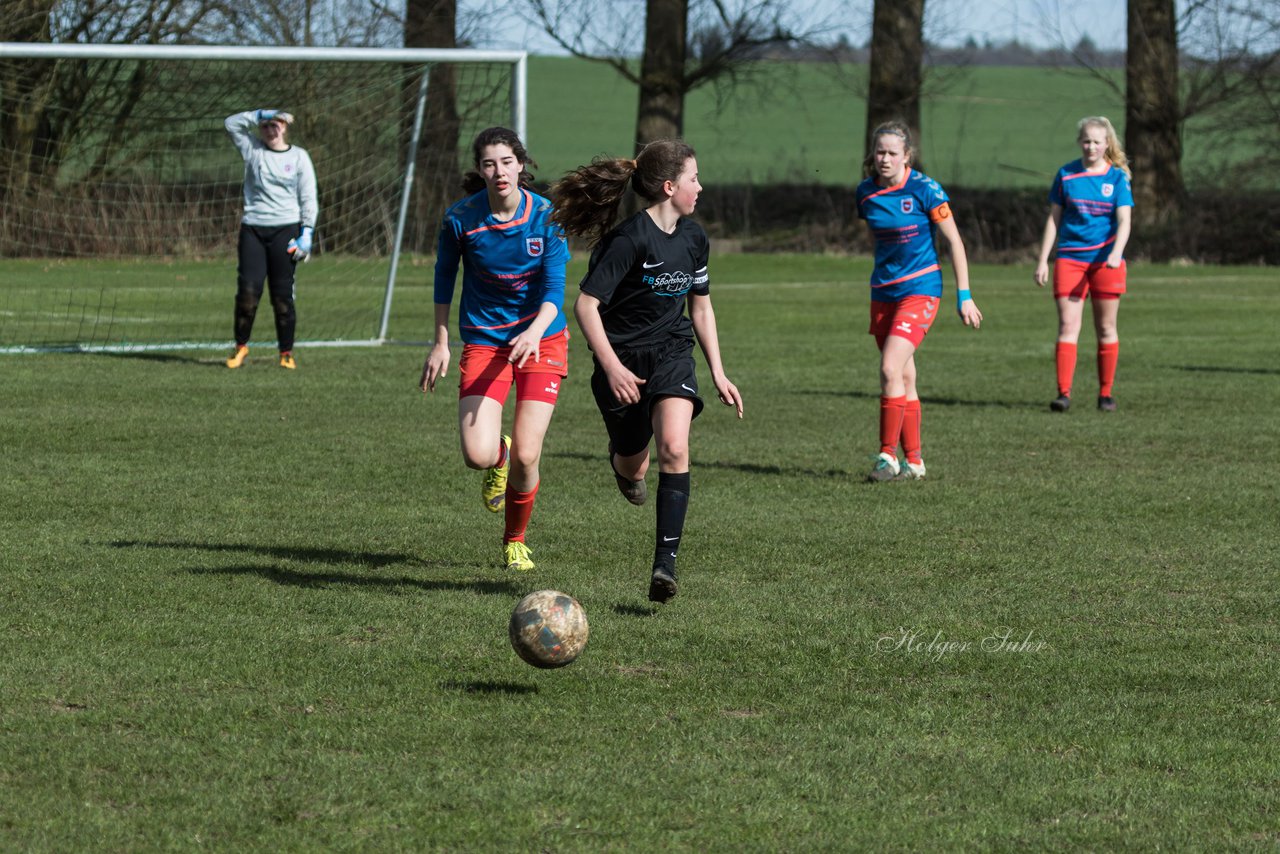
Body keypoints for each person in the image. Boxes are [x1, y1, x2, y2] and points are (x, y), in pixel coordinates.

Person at [550, 139, 743, 604]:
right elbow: (586, 306)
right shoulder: (629, 240)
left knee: (675, 448)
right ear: (669, 185)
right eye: (694, 178)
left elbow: (700, 309)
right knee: (634, 460)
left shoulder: (695, 238)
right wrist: (611, 366)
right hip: (622, 364)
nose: (701, 186)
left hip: (672, 353)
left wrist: (718, 371)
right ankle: (624, 467)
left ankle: (665, 565)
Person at [419, 127, 570, 574]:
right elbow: (444, 278)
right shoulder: (461, 219)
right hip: (486, 341)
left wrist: (533, 332)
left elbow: (556, 289)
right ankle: (497, 457)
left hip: (542, 339)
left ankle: (515, 541)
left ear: (521, 165)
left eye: (506, 161)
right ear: (479, 169)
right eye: (489, 163)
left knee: (530, 453)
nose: (498, 171)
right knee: (477, 455)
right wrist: (441, 340)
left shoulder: (546, 217)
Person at [855, 121, 983, 483]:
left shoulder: (927, 190)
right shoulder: (865, 194)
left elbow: (955, 243)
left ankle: (887, 455)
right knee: (905, 376)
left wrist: (965, 295)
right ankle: (915, 461)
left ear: (906, 156)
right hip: (883, 292)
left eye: (893, 153)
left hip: (921, 289)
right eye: (880, 151)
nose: (885, 159)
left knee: (889, 369)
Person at [1034, 116, 1134, 412]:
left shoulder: (1117, 178)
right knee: (1068, 325)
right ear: (1080, 142)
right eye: (1086, 140)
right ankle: (1063, 394)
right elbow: (1054, 219)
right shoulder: (1066, 175)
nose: (1091, 146)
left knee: (1106, 327)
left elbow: (1125, 220)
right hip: (1070, 260)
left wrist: (1116, 252)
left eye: (1097, 141)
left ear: (1107, 144)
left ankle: (1106, 394)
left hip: (1106, 263)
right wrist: (1043, 260)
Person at [223, 109, 318, 370]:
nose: (269, 130)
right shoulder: (252, 150)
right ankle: (241, 347)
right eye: (264, 126)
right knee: (248, 292)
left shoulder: (299, 157)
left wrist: (307, 232)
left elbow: (308, 196)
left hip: (286, 230)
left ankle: (286, 352)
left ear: (285, 127)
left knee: (282, 295)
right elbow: (231, 124)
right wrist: (260, 113)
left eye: (275, 125)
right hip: (253, 229)